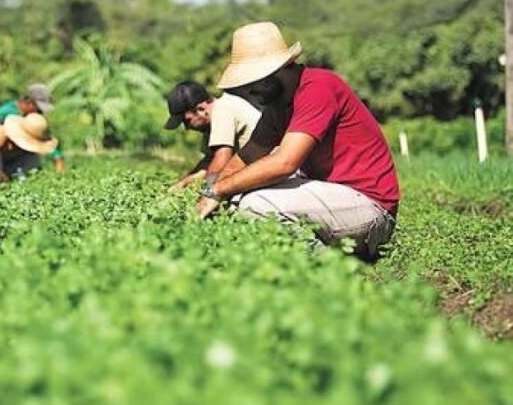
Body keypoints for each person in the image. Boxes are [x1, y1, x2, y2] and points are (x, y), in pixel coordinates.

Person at [197, 22, 400, 258]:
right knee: (237, 198)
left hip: (370, 207)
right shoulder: (277, 106)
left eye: (254, 82)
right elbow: (245, 157)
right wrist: (209, 193)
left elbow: (285, 163)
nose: (250, 91)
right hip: (333, 199)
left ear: (280, 68)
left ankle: (326, 270)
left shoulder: (319, 87)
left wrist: (219, 190)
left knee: (256, 205)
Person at [164, 81, 261, 190]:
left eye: (187, 121)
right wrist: (182, 184)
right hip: (255, 171)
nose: (187, 128)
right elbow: (209, 162)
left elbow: (222, 158)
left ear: (201, 109)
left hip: (269, 171)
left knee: (234, 201)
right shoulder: (212, 121)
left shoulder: (222, 109)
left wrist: (207, 192)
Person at [0, 83, 66, 172]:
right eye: (38, 109)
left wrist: (58, 158)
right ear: (29, 102)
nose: (40, 113)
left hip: (18, 156)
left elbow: (46, 138)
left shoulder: (34, 118)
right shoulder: (5, 113)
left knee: (34, 159)